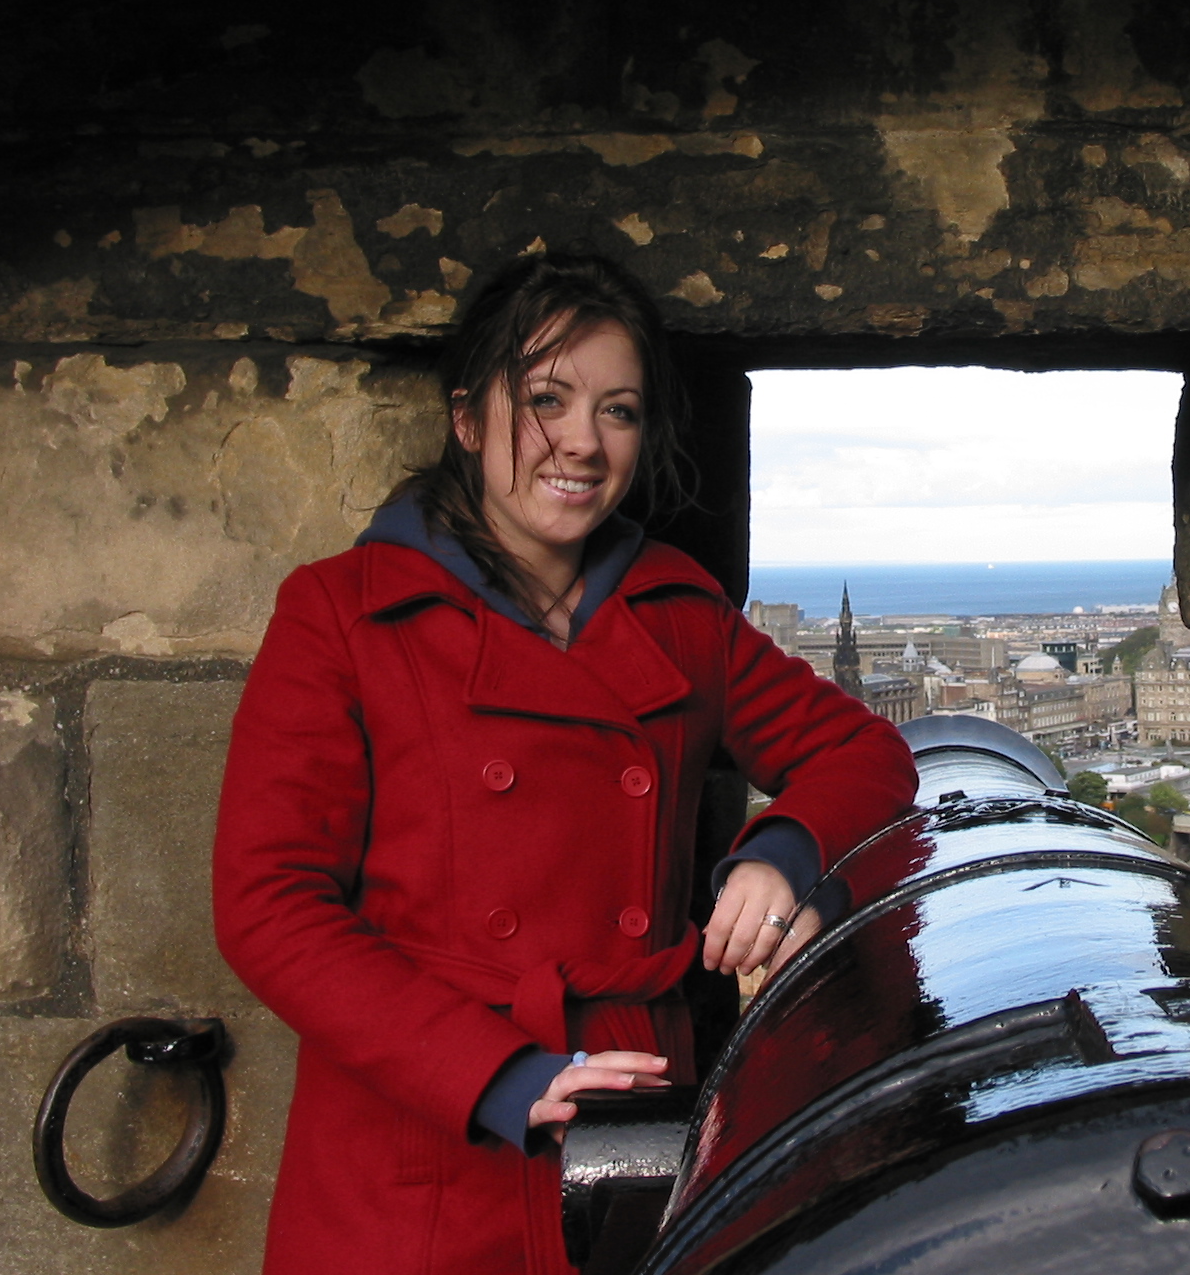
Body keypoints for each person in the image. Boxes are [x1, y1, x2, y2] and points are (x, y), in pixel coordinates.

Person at [213, 252, 918, 1275]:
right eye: (547, 400)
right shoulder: (343, 613)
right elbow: (266, 903)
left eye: (619, 411)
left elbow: (862, 748)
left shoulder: (675, 610)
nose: (583, 443)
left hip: (637, 1121)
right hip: (429, 1132)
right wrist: (490, 1073)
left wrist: (781, 855)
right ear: (466, 419)